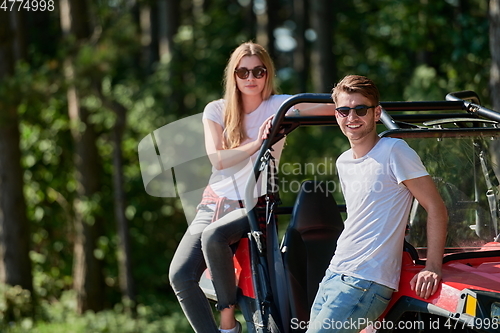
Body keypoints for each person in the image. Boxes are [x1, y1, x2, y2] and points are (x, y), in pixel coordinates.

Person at [169, 41, 335, 333]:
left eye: (258, 71)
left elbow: (333, 108)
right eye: (242, 72)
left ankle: (227, 322)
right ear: (233, 75)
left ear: (267, 73)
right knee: (180, 275)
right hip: (215, 201)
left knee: (214, 236)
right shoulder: (217, 110)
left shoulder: (281, 105)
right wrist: (257, 143)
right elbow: (218, 159)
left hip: (254, 203)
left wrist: (361, 105)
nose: (250, 78)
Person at [306, 75, 448, 333]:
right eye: (344, 110)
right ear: (336, 115)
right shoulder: (343, 162)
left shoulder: (395, 150)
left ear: (376, 113)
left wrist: (433, 268)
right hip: (334, 273)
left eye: (360, 109)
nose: (352, 117)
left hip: (366, 281)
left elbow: (436, 207)